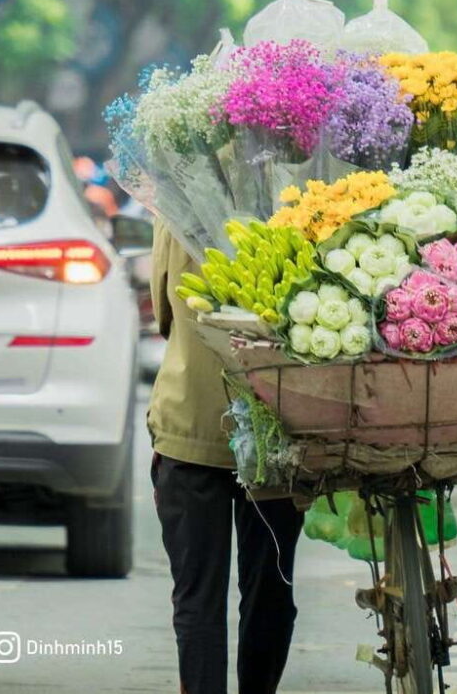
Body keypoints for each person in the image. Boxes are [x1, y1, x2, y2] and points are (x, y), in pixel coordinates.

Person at [148, 219, 305, 694]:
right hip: (276, 425)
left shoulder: (176, 207)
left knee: (197, 598)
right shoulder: (295, 200)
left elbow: (163, 311)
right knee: (269, 590)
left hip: (191, 425)